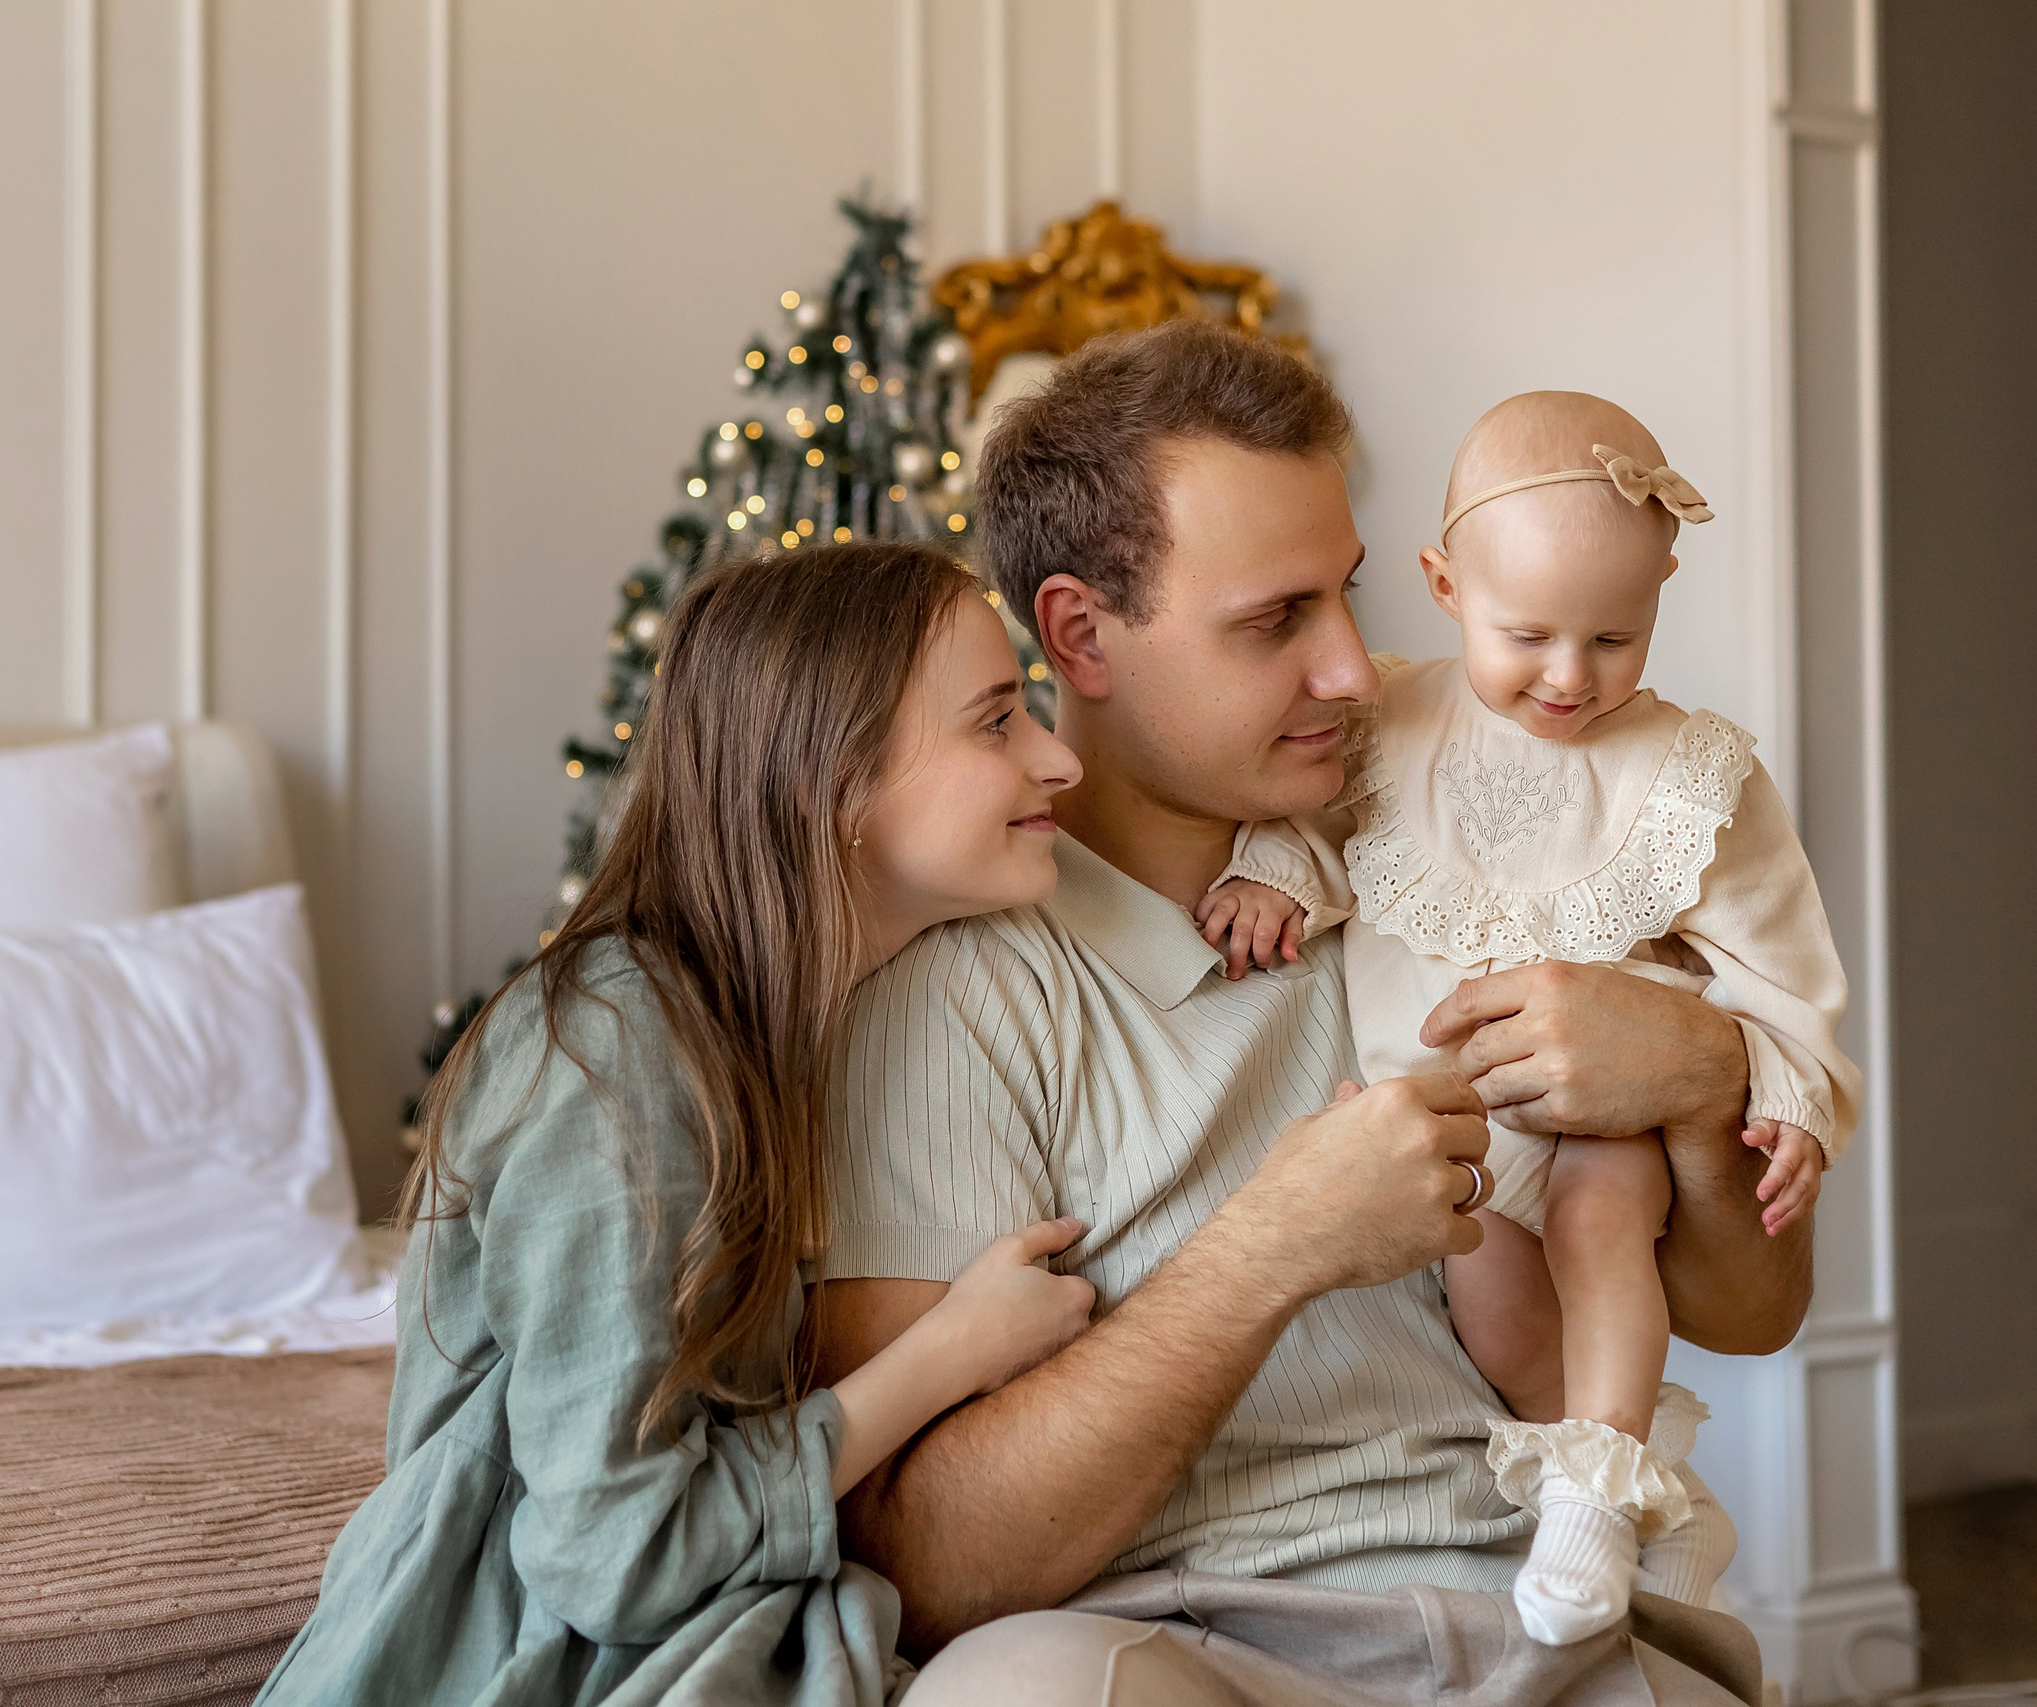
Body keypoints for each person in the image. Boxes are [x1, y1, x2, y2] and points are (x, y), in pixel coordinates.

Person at [813, 322, 1802, 1705]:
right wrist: (1273, 1246)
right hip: (1194, 1651)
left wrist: (1704, 1084)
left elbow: (1757, 1311)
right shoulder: (953, 996)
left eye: (1343, 590)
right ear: (1079, 634)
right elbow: (928, 1561)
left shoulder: (1437, 848)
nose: (1353, 668)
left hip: (1544, 1626)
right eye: (1276, 619)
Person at [255, 542, 1095, 1707]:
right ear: (830, 782)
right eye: (996, 721)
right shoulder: (616, 1058)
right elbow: (616, 1553)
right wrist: (952, 1351)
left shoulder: (832, 1012)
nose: (1057, 758)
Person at [1196, 390, 1858, 1645]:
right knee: (1498, 1312)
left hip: (1608, 1092)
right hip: (1452, 1114)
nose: (1570, 676)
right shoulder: (1388, 718)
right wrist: (1268, 880)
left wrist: (1786, 1094)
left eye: (1616, 637)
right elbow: (1323, 833)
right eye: (1530, 634)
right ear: (1445, 585)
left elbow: (1781, 960)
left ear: (1663, 586)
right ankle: (1661, 1502)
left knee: (1601, 1226)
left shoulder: (1686, 772)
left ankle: (1596, 1500)